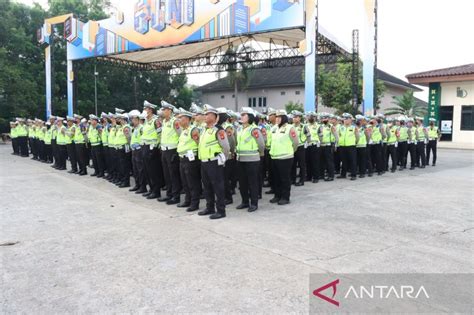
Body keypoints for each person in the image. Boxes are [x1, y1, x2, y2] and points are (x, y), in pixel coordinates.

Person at [197, 104, 230, 219]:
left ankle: (221, 210)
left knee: (218, 186)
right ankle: (210, 207)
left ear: (215, 116)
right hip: (204, 162)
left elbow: (226, 147)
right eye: (204, 114)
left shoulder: (219, 130)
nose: (205, 116)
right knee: (207, 186)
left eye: (207, 114)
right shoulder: (204, 130)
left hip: (214, 162)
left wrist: (222, 159)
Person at [235, 107, 265, 212]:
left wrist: (258, 154)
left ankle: (254, 203)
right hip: (241, 159)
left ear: (250, 117)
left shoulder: (254, 129)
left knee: (253, 182)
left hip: (252, 160)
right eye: (241, 115)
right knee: (242, 183)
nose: (241, 116)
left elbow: (261, 144)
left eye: (244, 115)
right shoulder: (240, 129)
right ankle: (244, 201)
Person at [269, 110, 298, 205]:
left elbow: (295, 143)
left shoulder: (290, 128)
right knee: (276, 178)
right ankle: (277, 196)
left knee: (284, 179)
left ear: (284, 118)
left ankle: (285, 197)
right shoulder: (273, 128)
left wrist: (290, 151)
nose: (277, 119)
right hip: (274, 157)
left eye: (279, 117)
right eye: (276, 117)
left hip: (285, 157)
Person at [176, 108, 201, 212]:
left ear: (187, 119)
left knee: (192, 182)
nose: (179, 120)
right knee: (185, 181)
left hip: (191, 159)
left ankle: (194, 203)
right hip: (182, 158)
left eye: (181, 118)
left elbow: (199, 143)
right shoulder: (184, 131)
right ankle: (188, 200)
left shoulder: (193, 130)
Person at [159, 101, 182, 204]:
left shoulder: (175, 121)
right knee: (166, 174)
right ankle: (169, 194)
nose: (162, 111)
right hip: (164, 150)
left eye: (164, 110)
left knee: (173, 174)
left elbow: (181, 135)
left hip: (172, 150)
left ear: (169, 110)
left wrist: (177, 151)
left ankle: (175, 196)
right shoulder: (164, 122)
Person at [141, 101, 163, 200]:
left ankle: (156, 191)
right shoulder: (146, 121)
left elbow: (159, 135)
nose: (144, 110)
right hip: (145, 146)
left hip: (152, 147)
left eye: (145, 109)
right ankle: (151, 189)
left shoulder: (156, 121)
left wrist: (155, 147)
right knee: (147, 170)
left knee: (153, 170)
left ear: (150, 110)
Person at [217, 107, 236, 205]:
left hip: (226, 156)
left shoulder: (227, 126)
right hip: (219, 156)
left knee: (225, 178)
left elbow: (231, 141)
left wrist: (232, 152)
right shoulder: (217, 126)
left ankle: (228, 197)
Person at [290, 110, 311, 186]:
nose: (294, 119)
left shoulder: (304, 126)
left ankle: (302, 180)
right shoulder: (290, 126)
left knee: (302, 164)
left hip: (301, 147)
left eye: (296, 117)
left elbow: (308, 136)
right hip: (293, 147)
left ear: (299, 118)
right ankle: (292, 179)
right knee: (293, 164)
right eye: (293, 117)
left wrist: (307, 143)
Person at [338, 113, 359, 180]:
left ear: (351, 120)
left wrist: (355, 143)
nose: (345, 120)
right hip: (342, 146)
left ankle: (353, 175)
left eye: (347, 119)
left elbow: (357, 137)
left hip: (351, 146)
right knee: (343, 161)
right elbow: (338, 135)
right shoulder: (341, 127)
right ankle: (343, 174)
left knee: (352, 161)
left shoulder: (354, 127)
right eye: (344, 119)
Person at [115, 113, 132, 188]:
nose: (120, 120)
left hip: (124, 147)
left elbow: (128, 138)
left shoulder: (126, 127)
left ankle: (126, 182)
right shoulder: (121, 127)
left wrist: (128, 147)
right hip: (119, 148)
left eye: (121, 119)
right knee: (121, 165)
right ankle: (122, 180)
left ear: (124, 120)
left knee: (125, 165)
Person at [320, 113, 338, 181]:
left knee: (329, 161)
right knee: (322, 161)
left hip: (329, 145)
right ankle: (321, 175)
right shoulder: (321, 126)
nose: (324, 119)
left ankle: (331, 176)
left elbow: (336, 136)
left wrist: (335, 144)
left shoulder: (331, 126)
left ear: (329, 119)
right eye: (323, 118)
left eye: (326, 118)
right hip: (322, 145)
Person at [305, 111, 322, 183]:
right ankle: (309, 176)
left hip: (315, 145)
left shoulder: (318, 126)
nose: (311, 118)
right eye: (309, 116)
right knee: (308, 162)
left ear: (315, 117)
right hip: (307, 145)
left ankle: (316, 177)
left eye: (313, 116)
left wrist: (319, 142)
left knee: (315, 162)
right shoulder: (305, 126)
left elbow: (321, 136)